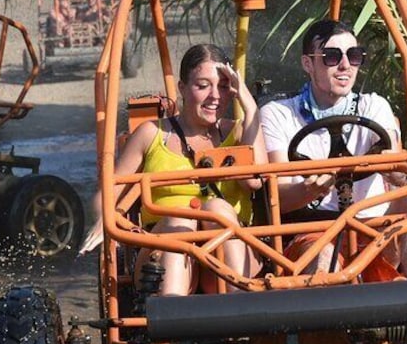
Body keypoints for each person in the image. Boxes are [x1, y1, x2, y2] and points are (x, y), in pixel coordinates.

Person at [259, 19, 407, 279]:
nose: (345, 65)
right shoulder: (278, 115)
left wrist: (395, 169)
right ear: (308, 63)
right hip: (315, 232)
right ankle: (332, 312)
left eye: (354, 56)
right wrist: (308, 189)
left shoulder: (374, 107)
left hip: (375, 229)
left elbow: (399, 170)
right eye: (332, 57)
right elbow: (278, 196)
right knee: (324, 256)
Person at [80, 44, 267, 295]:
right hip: (164, 253)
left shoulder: (241, 132)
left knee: (217, 210)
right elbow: (105, 197)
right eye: (203, 86)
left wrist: (250, 106)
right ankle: (173, 312)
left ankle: (240, 313)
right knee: (180, 218)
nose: (215, 96)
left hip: (228, 258)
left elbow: (257, 181)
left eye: (223, 86)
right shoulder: (151, 134)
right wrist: (106, 216)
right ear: (182, 88)